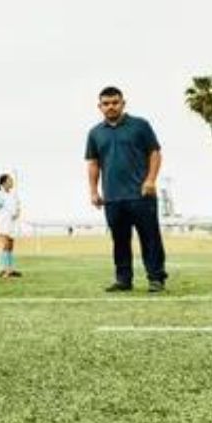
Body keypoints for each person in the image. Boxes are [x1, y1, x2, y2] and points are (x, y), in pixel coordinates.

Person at [85, 86, 167, 293]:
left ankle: (156, 278)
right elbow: (93, 163)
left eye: (115, 102)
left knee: (150, 239)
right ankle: (123, 280)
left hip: (141, 195)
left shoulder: (140, 126)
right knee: (120, 241)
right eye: (106, 103)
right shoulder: (95, 133)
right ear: (100, 106)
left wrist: (150, 180)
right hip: (113, 198)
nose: (111, 106)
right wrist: (94, 191)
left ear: (123, 103)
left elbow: (155, 153)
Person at [0, 172, 23, 278]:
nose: (12, 182)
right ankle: (2, 269)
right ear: (4, 183)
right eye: (10, 180)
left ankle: (10, 269)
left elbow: (17, 207)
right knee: (4, 245)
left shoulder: (13, 195)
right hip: (2, 223)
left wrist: (18, 212)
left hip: (11, 224)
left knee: (10, 246)